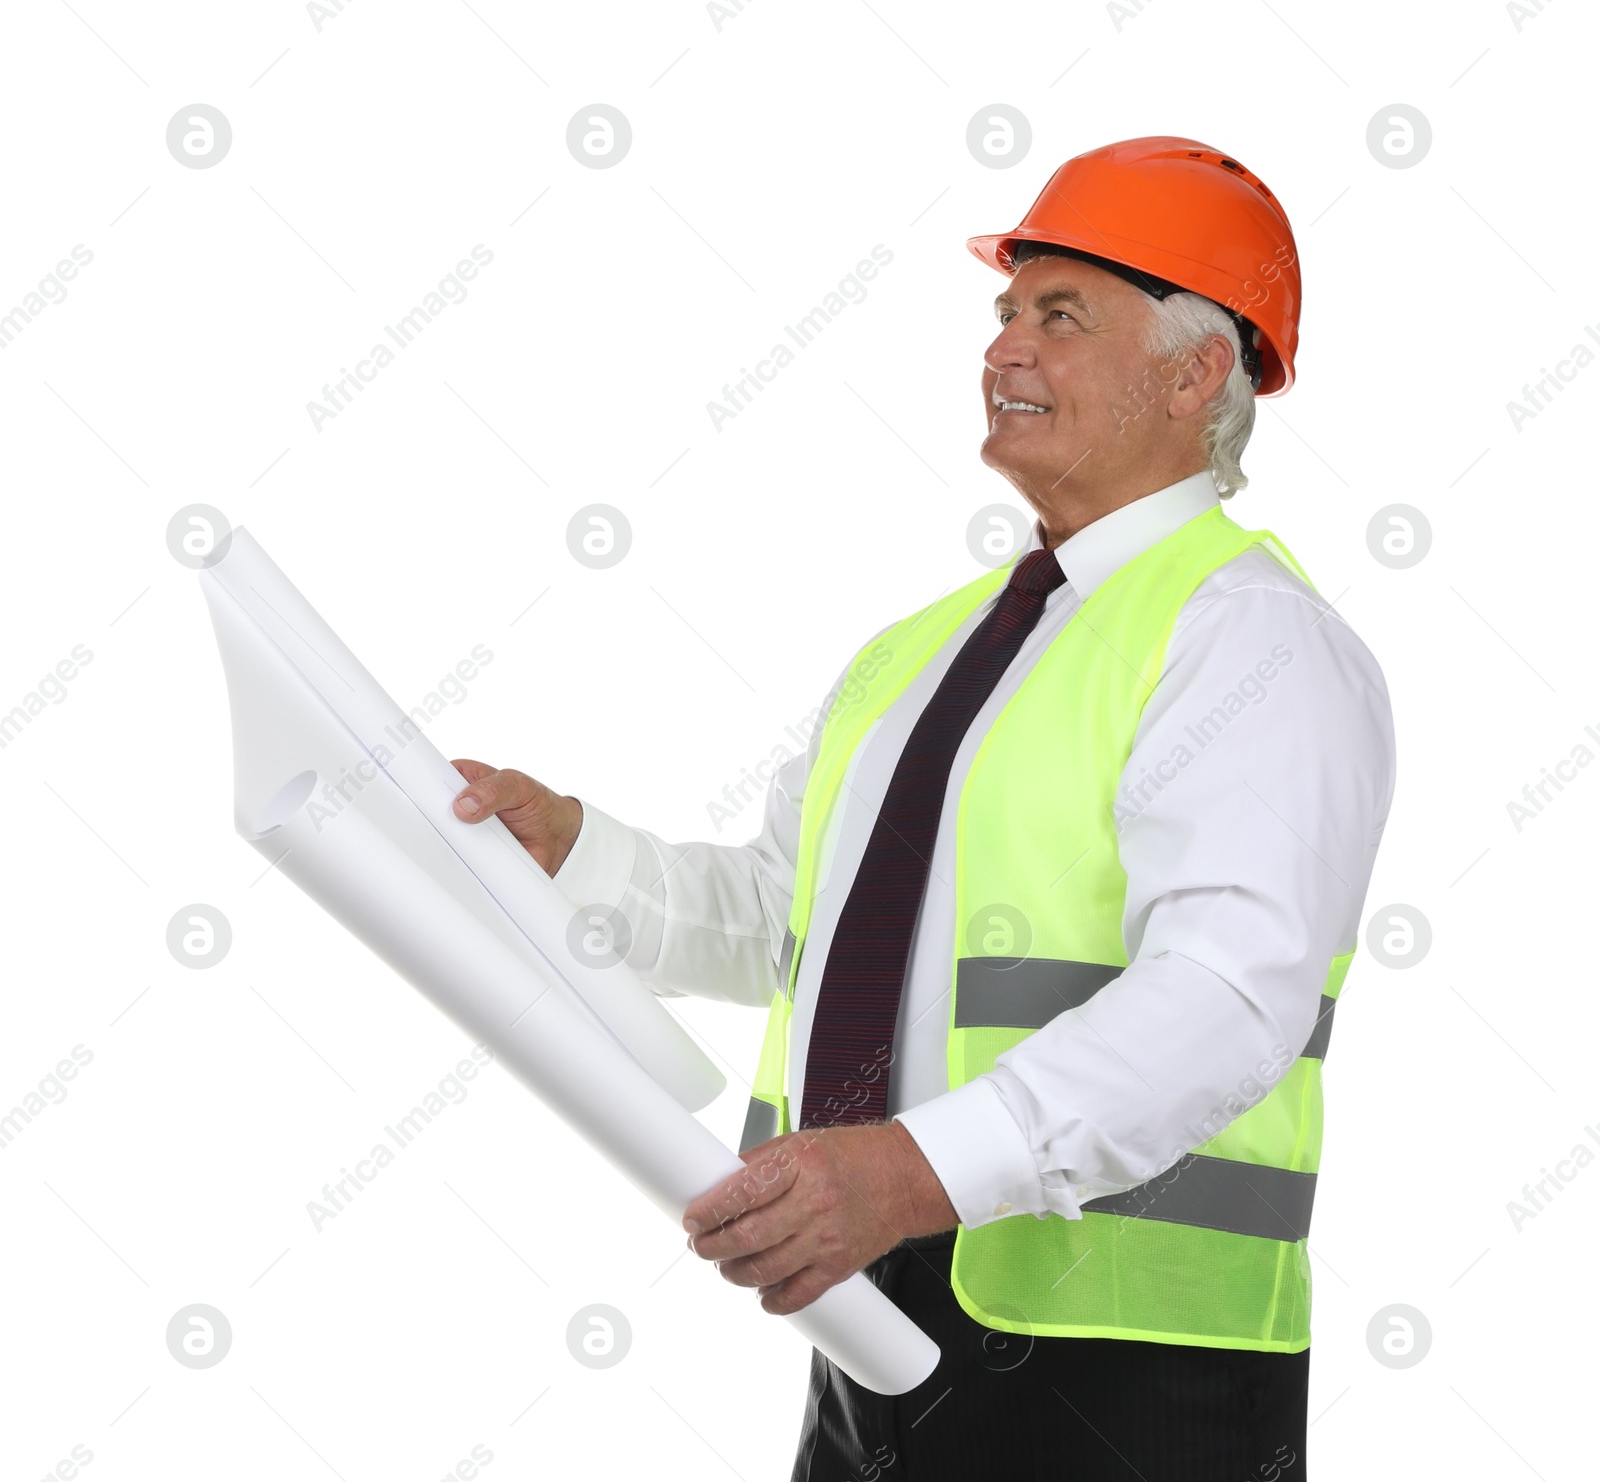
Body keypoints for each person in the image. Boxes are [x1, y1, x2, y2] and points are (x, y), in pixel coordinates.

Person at [450, 136, 1396, 1480]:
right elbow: (785, 920)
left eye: (1058, 315)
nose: (1005, 349)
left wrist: (905, 1170)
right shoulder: (923, 652)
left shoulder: (1252, 643)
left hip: (1131, 1375)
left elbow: (1228, 1001)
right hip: (876, 1328)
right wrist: (575, 855)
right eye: (1006, 313)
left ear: (1195, 374)